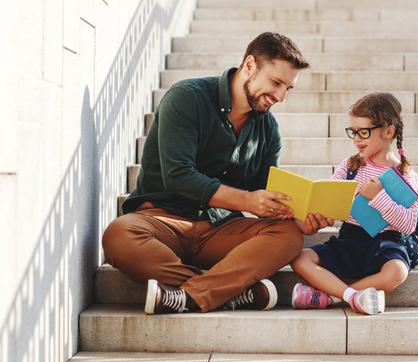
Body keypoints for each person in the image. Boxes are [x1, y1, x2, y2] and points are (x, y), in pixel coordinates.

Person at [102, 32, 334, 314]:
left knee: (287, 236)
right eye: (276, 83)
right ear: (250, 65)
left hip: (220, 230)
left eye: (288, 88)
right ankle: (232, 293)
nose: (280, 96)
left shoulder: (268, 129)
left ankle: (188, 296)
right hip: (163, 220)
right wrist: (247, 201)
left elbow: (265, 194)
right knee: (118, 235)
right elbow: (178, 176)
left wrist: (300, 218)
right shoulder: (187, 98)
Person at [290, 92, 418, 315]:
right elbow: (330, 191)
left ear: (388, 131)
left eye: (364, 132)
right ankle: (352, 296)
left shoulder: (404, 174)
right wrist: (322, 209)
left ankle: (331, 297)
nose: (357, 139)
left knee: (398, 272)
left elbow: (408, 224)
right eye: (353, 132)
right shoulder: (351, 165)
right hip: (350, 238)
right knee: (300, 258)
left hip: (384, 244)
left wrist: (378, 197)